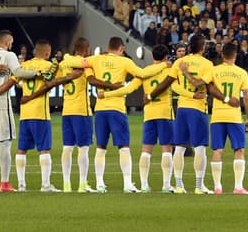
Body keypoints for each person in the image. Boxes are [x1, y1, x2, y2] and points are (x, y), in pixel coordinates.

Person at [85, 36, 167, 193]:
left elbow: (80, 63)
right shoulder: (125, 62)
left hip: (100, 109)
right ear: (121, 49)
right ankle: (127, 184)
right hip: (116, 109)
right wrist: (164, 65)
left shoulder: (96, 59)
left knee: (101, 147)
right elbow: (142, 73)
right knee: (123, 147)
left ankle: (100, 184)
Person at [0, 40, 64, 192]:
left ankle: (21, 185)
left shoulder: (23, 66)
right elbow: (53, 82)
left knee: (22, 150)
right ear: (47, 53)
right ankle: (45, 185)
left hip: (25, 114)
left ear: (34, 52)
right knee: (44, 149)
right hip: (41, 114)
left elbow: (9, 83)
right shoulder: (48, 67)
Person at [0, 30, 44, 192]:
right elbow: (18, 73)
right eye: (11, 42)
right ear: (7, 42)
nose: (11, 45)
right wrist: (37, 73)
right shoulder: (9, 55)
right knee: (5, 142)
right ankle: (5, 183)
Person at [162, 33, 232, 194]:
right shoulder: (207, 64)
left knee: (179, 147)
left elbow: (171, 85)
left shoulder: (180, 62)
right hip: (198, 109)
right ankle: (199, 186)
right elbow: (201, 83)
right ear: (203, 47)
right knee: (199, 147)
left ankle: (179, 185)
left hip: (181, 109)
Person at [131, 44, 178, 192]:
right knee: (166, 149)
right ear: (165, 57)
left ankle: (144, 185)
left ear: (152, 57)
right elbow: (177, 88)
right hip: (164, 112)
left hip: (149, 113)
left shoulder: (146, 71)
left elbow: (131, 87)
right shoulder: (169, 70)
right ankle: (166, 185)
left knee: (146, 149)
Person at [209, 41, 248, 194]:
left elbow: (208, 88)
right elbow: (246, 97)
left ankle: (217, 187)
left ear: (222, 54)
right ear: (235, 55)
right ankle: (238, 187)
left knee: (217, 150)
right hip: (234, 116)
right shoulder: (241, 73)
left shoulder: (214, 70)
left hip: (217, 115)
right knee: (239, 149)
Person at [56, 37, 96, 193]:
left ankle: (66, 184)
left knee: (67, 147)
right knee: (83, 148)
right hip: (81, 111)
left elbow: (57, 76)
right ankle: (82, 184)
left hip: (67, 110)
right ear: (86, 49)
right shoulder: (84, 65)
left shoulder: (65, 62)